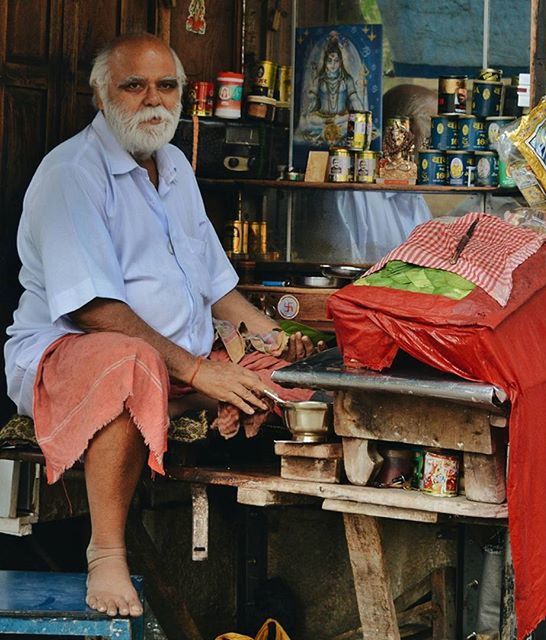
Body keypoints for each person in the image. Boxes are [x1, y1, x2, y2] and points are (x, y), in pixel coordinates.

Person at [4, 33, 316, 619]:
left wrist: (269, 338)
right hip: (71, 357)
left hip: (179, 363)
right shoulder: (71, 172)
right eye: (133, 85)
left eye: (166, 85)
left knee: (287, 374)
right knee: (130, 361)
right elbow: (92, 310)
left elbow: (219, 289)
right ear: (100, 95)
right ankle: (107, 550)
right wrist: (200, 370)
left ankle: (179, 403)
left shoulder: (172, 165)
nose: (153, 99)